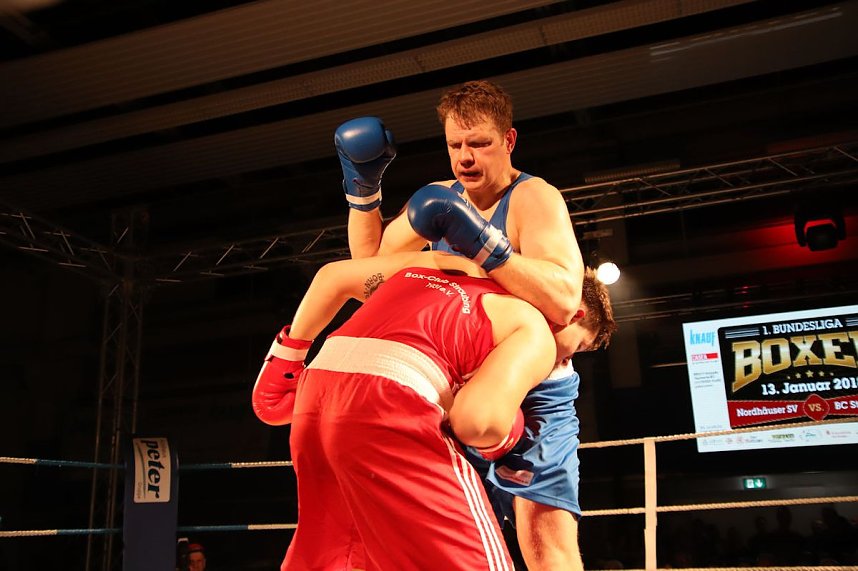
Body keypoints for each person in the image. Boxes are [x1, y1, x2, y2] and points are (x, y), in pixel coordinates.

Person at [334, 79, 599, 570]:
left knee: (545, 544)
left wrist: (482, 244)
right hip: (451, 389)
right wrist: (363, 193)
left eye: (479, 143)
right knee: (440, 542)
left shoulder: (533, 198)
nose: (465, 157)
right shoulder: (439, 199)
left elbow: (563, 302)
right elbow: (367, 268)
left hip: (533, 390)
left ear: (509, 141)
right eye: (456, 145)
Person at [251, 249, 615, 570]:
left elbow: (332, 276)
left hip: (317, 391)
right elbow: (476, 424)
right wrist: (507, 432)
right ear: (572, 314)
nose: (565, 360)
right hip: (390, 405)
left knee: (337, 554)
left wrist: (288, 355)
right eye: (577, 348)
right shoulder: (535, 330)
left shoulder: (447, 263)